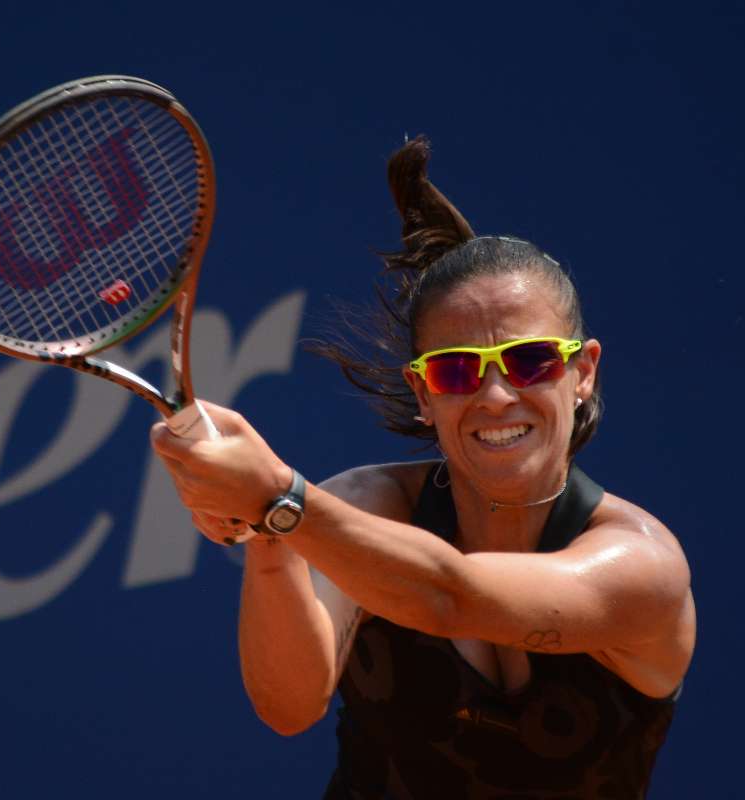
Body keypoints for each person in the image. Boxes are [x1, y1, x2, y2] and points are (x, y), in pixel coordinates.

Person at [149, 137, 695, 799]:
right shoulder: (362, 504)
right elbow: (288, 707)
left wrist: (280, 498)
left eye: (530, 361)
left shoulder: (645, 568)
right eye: (456, 370)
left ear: (583, 373)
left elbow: (451, 597)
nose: (496, 396)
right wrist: (268, 532)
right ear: (424, 393)